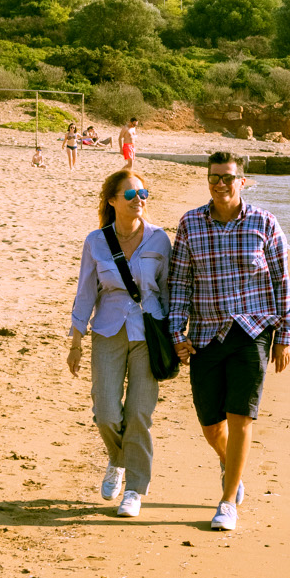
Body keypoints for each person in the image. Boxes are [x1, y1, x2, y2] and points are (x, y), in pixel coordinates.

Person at [169, 151, 290, 532]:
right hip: (205, 335)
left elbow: (282, 283)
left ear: (242, 181)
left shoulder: (264, 222)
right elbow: (179, 284)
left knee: (241, 417)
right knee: (211, 424)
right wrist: (177, 333)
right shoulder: (190, 224)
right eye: (214, 178)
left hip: (252, 332)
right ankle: (229, 463)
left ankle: (227, 503)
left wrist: (284, 337)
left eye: (227, 177)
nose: (220, 184)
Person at [68, 170, 171, 519]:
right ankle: (118, 458)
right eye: (129, 194)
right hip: (108, 331)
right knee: (107, 413)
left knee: (139, 413)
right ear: (112, 200)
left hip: (149, 334)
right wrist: (76, 341)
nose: (138, 199)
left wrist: (175, 335)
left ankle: (134, 490)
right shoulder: (96, 241)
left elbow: (168, 291)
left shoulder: (159, 239)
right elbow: (85, 292)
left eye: (143, 192)